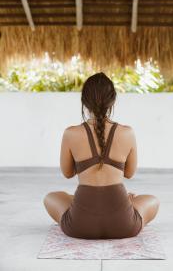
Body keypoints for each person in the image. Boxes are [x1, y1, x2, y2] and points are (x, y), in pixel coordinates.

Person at [43, 71, 160, 239]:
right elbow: (129, 173)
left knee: (50, 197)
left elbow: (67, 173)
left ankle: (78, 200)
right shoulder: (127, 133)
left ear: (84, 101)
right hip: (124, 225)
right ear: (113, 101)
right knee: (152, 200)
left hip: (79, 225)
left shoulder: (71, 133)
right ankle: (123, 201)